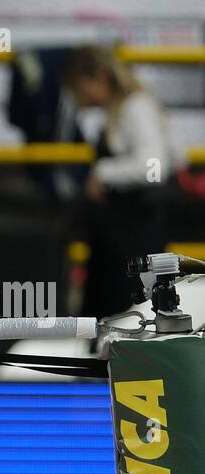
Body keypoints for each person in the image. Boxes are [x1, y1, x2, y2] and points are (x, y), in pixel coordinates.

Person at [65, 46, 182, 318]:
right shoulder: (120, 110)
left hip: (134, 236)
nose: (79, 96)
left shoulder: (135, 108)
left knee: (129, 316)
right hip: (118, 238)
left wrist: (104, 172)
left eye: (80, 86)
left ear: (100, 77)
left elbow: (155, 166)